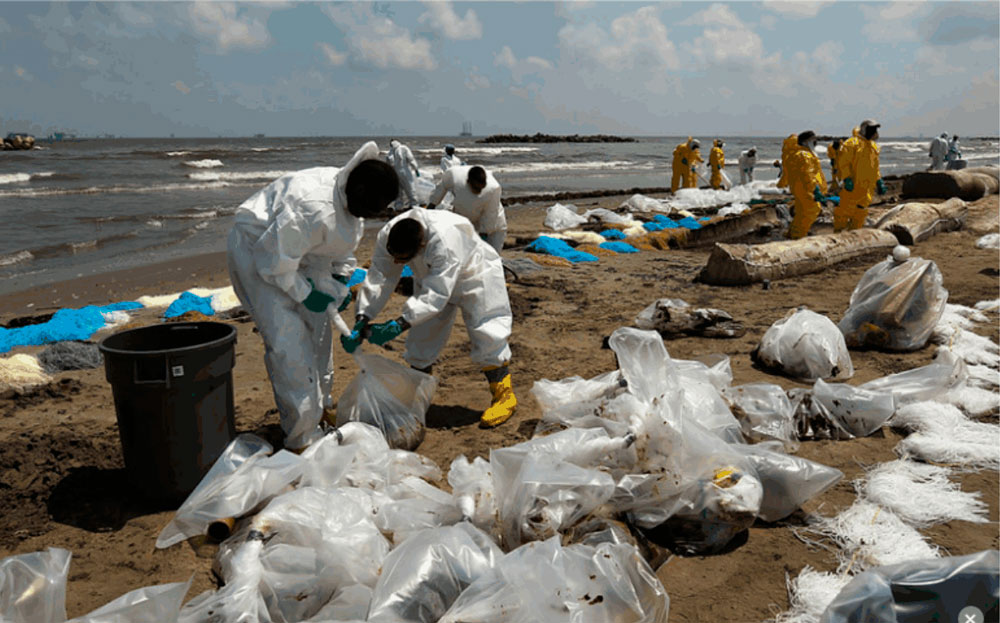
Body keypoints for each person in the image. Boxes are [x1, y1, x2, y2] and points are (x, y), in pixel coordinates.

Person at [227, 142, 399, 451]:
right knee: (289, 345)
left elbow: (341, 253)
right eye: (373, 210)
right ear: (358, 191)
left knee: (319, 338)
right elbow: (274, 264)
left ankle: (322, 409)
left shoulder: (352, 204)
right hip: (259, 250)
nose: (372, 217)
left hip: (299, 252)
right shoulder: (312, 206)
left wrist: (339, 287)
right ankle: (301, 438)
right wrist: (305, 294)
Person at [345, 208, 517, 428]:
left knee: (486, 332)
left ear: (422, 246)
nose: (397, 263)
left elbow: (437, 295)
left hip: (474, 275)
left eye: (403, 260)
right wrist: (363, 316)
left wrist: (398, 324)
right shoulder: (389, 233)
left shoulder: (444, 242)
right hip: (430, 276)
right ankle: (417, 398)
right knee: (422, 339)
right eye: (394, 257)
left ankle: (504, 396)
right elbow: (380, 276)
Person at [426, 165, 506, 253]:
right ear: (468, 182)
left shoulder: (494, 188)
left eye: (481, 188)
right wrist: (429, 210)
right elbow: (439, 191)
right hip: (465, 219)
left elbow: (490, 215)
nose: (478, 192)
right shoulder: (454, 175)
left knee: (492, 255)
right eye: (476, 188)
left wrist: (483, 237)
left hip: (494, 224)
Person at [837, 119, 884, 232]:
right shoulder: (851, 144)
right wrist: (847, 178)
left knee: (861, 211)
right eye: (872, 129)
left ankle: (854, 234)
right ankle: (837, 234)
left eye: (875, 129)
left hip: (867, 188)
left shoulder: (873, 147)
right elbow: (843, 163)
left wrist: (879, 181)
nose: (874, 132)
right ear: (864, 130)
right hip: (854, 186)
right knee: (845, 211)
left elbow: (875, 166)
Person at [786, 131, 828, 240]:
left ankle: (792, 234)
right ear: (805, 141)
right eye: (813, 139)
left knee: (801, 212)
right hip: (807, 190)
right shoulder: (804, 155)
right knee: (810, 211)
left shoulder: (805, 153)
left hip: (803, 189)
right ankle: (798, 237)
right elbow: (807, 175)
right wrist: (815, 189)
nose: (815, 142)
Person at [387, 139, 421, 210]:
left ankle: (398, 207)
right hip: (405, 172)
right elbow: (411, 159)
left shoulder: (390, 152)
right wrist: (416, 169)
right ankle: (414, 206)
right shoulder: (404, 148)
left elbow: (388, 165)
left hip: (395, 174)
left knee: (398, 193)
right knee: (410, 189)